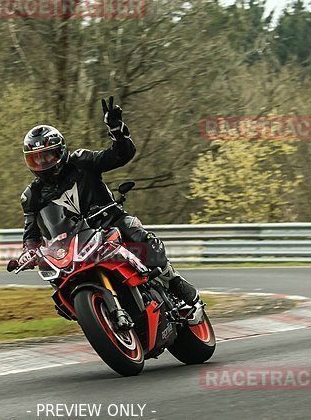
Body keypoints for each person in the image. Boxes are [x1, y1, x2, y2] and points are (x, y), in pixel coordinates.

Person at [15, 96, 203, 321]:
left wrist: (117, 130)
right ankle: (88, 311)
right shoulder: (31, 196)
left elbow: (120, 155)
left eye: (48, 156)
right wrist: (29, 252)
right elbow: (31, 234)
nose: (43, 164)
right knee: (56, 280)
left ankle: (175, 283)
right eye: (36, 160)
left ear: (61, 152)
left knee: (138, 236)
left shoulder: (81, 161)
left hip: (109, 221)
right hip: (72, 245)